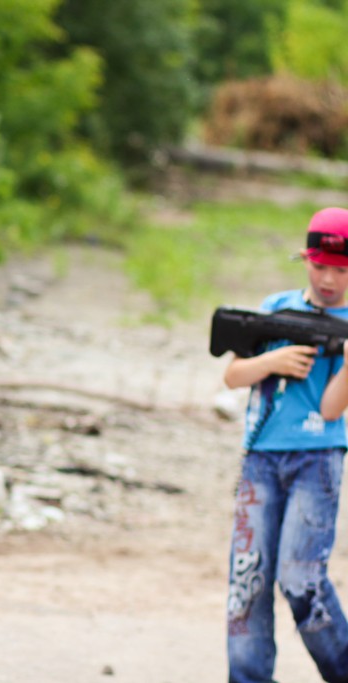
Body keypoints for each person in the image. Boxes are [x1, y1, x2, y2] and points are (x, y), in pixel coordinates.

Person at [224, 207, 348, 683]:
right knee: (247, 579)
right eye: (321, 266)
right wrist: (274, 361)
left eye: (341, 270)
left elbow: (332, 410)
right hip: (261, 457)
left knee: (300, 579)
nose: (329, 279)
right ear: (305, 259)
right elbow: (233, 374)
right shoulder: (275, 307)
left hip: (319, 458)